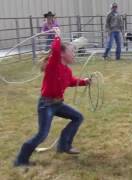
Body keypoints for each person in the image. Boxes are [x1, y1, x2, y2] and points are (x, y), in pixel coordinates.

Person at [14, 27, 91, 167]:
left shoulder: (67, 70)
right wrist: (57, 36)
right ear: (62, 54)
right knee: (42, 135)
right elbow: (55, 50)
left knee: (78, 117)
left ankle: (64, 146)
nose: (74, 53)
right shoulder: (53, 64)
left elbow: (71, 81)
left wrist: (85, 82)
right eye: (72, 51)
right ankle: (20, 160)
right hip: (46, 105)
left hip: (58, 104)